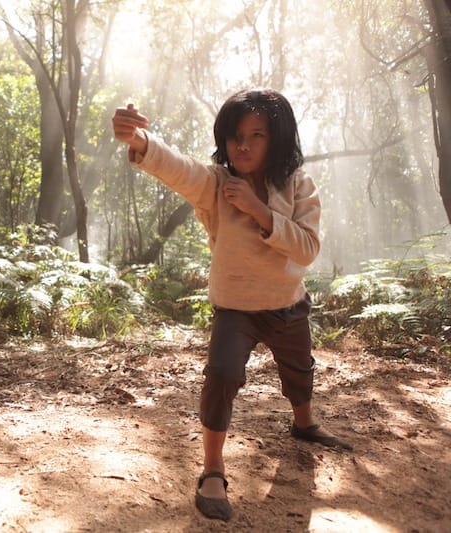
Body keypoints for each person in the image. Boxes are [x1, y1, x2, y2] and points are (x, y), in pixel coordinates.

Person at [111, 89, 352, 522]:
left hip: (287, 305)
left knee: (299, 372)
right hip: (235, 309)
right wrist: (141, 142)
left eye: (257, 135)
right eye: (235, 135)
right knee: (221, 376)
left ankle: (304, 423)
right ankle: (213, 470)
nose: (243, 144)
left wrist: (261, 212)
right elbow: (179, 169)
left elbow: (307, 248)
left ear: (276, 139)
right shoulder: (217, 185)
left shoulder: (298, 184)